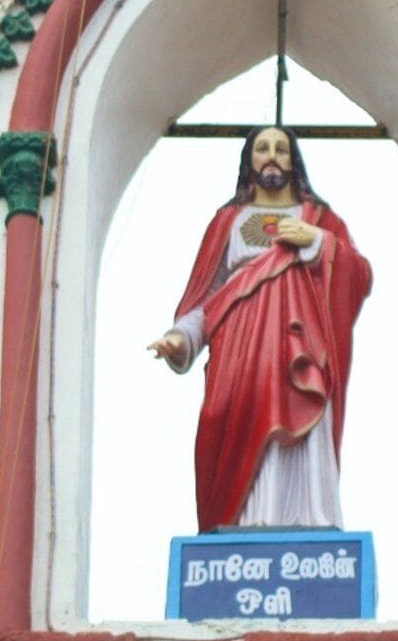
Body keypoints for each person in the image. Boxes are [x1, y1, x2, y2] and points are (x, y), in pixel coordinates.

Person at [149, 126, 372, 532]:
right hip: (240, 351)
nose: (272, 156)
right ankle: (246, 519)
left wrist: (318, 242)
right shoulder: (227, 222)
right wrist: (180, 338)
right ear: (249, 159)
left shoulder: (320, 219)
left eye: (281, 149)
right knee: (229, 420)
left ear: (293, 160)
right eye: (263, 148)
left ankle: (305, 518)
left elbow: (359, 275)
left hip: (298, 343)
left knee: (300, 419)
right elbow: (208, 295)